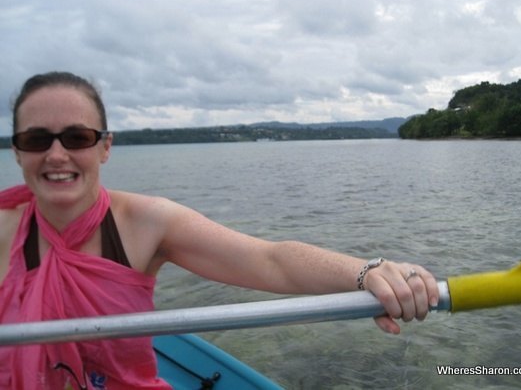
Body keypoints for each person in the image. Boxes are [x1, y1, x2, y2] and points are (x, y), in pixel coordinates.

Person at [0, 72, 439, 389]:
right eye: (37, 140)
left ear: (106, 147)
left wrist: (365, 273)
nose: (56, 154)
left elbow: (269, 260)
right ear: (17, 152)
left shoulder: (146, 223)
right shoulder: (3, 231)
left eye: (76, 137)